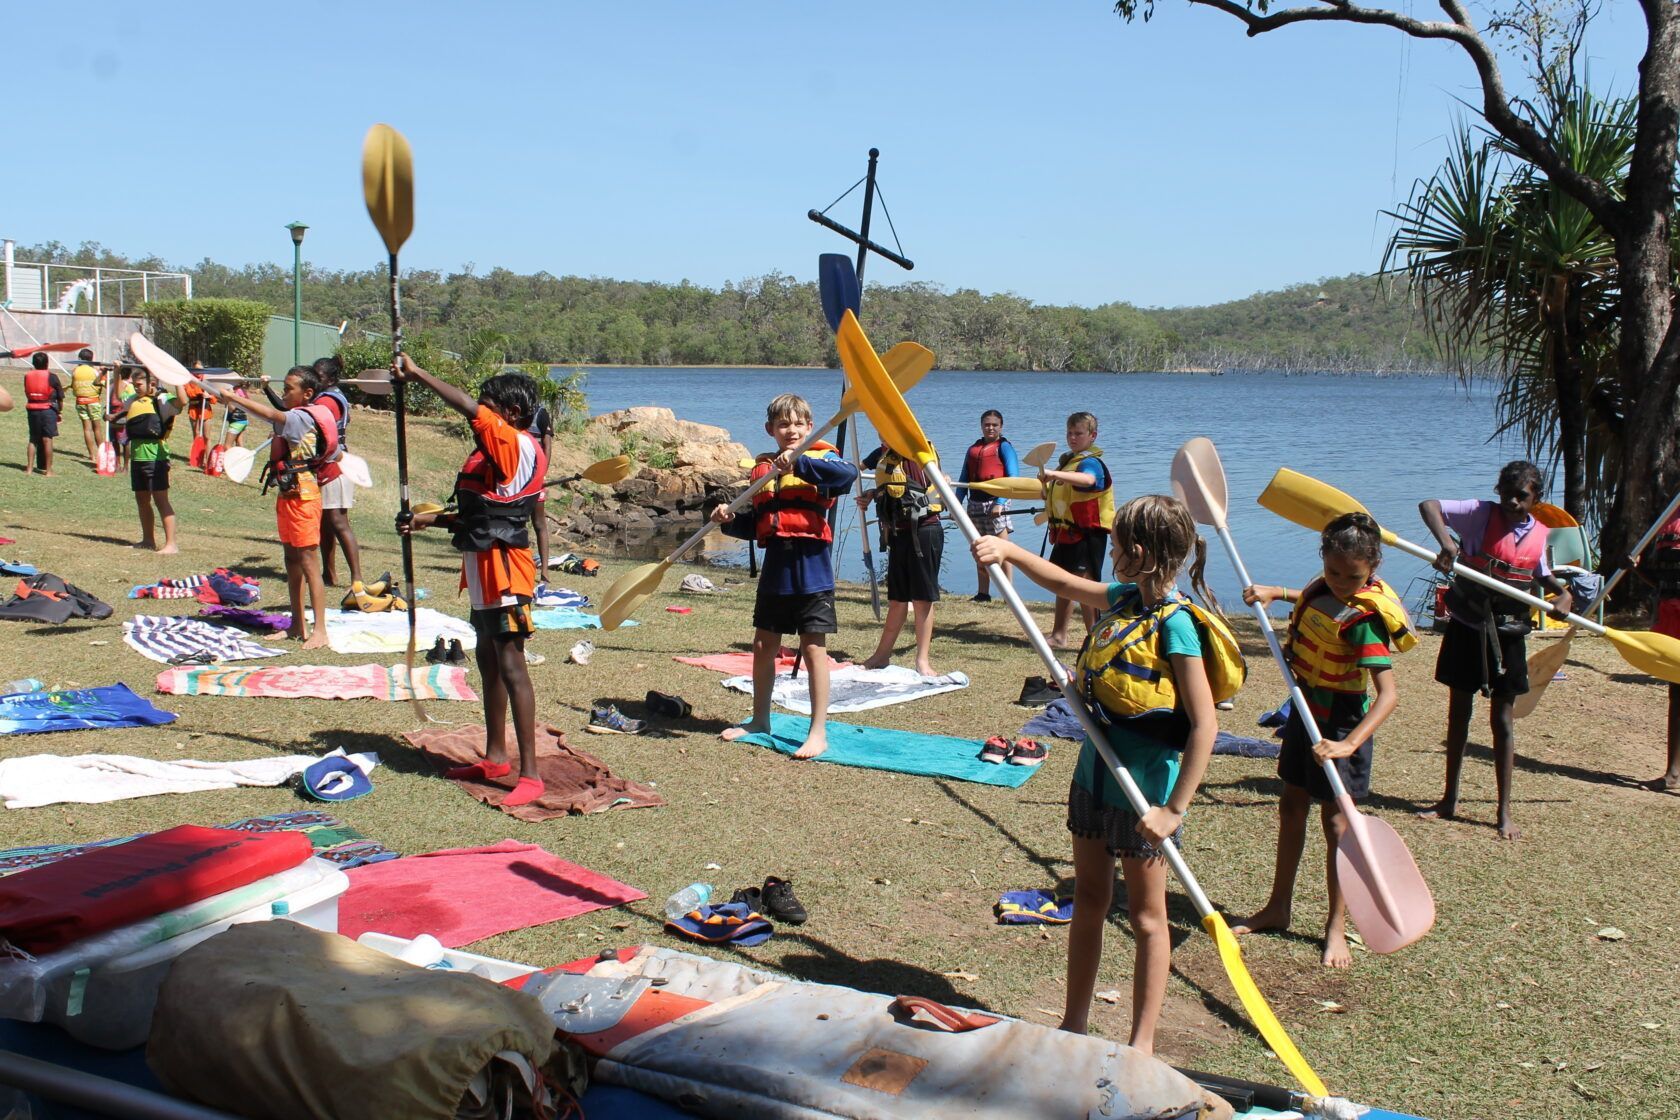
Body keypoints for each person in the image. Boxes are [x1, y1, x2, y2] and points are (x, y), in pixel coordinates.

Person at [971, 495, 1241, 1054]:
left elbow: (1205, 725)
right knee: (1089, 899)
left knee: (1146, 917)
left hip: (1147, 795)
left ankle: (1141, 1042)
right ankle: (1074, 1022)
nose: (1109, 551)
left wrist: (1174, 810)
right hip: (1093, 779)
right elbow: (1067, 585)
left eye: (1115, 545)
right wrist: (1011, 551)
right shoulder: (1124, 598)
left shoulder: (1178, 627)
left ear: (1138, 553)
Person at [1232, 512, 1415, 967]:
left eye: (1353, 577)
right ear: (1323, 560)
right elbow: (1316, 597)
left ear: (1373, 568)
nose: (1340, 584)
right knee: (1291, 806)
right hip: (1305, 711)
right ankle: (1278, 907)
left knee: (1337, 827)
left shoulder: (1366, 621)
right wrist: (1278, 592)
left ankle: (1336, 924)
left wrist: (1349, 744)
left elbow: (1388, 696)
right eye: (1332, 572)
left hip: (1340, 724)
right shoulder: (1324, 587)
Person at [392, 354, 550, 808]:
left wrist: (418, 373)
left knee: (511, 663)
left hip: (505, 570)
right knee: (486, 658)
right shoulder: (490, 452)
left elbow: (471, 411)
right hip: (480, 567)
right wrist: (429, 520)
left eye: (488, 406)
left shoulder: (516, 443)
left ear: (512, 413)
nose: (479, 413)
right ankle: (496, 755)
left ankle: (531, 774)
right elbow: (483, 512)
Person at [1418, 461, 1572, 840]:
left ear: (1536, 499)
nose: (1513, 503)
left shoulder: (1540, 534)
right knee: (1459, 713)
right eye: (1507, 494)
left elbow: (1542, 574)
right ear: (1498, 491)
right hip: (1469, 626)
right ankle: (1448, 800)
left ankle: (1503, 812)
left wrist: (1563, 593)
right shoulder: (1479, 515)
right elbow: (1428, 505)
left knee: (1502, 722)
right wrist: (1447, 543)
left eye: (1522, 497)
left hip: (1508, 634)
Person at [710, 394, 858, 759]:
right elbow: (759, 524)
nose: (791, 431)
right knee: (763, 645)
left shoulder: (823, 461)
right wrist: (728, 523)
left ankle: (818, 731)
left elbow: (847, 476)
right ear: (771, 430)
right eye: (783, 425)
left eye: (797, 425)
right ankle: (760, 720)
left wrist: (801, 462)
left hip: (812, 570)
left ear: (809, 427)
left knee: (812, 648)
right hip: (776, 568)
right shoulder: (762, 469)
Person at [210, 366, 339, 650]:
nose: (284, 393)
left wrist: (235, 398)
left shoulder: (300, 417)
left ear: (307, 394)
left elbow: (271, 414)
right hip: (288, 494)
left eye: (289, 388)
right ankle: (296, 624)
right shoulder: (296, 416)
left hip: (304, 496)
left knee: (309, 564)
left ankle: (320, 631)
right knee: (291, 561)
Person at [856, 442, 944, 677]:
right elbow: (892, 484)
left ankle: (922, 661)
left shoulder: (913, 448)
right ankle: (881, 656)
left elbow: (914, 484)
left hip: (924, 530)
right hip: (898, 532)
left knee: (922, 599)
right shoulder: (882, 452)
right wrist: (873, 494)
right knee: (897, 598)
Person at [1040, 411, 1114, 648]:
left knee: (1085, 586)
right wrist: (1046, 487)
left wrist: (1052, 474)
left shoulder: (1090, 463)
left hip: (1087, 535)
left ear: (1092, 436)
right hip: (1067, 534)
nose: (1073, 438)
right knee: (1062, 583)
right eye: (1069, 433)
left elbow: (1089, 481)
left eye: (1079, 433)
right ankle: (1059, 635)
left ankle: (1096, 638)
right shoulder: (1068, 461)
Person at [1627, 506, 1680, 791]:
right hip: (1671, 616)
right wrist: (1636, 569)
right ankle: (1673, 773)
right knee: (1677, 690)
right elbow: (1662, 579)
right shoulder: (1668, 516)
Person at [310, 357, 364, 591]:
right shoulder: (335, 396)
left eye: (318, 377)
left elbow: (313, 424)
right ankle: (328, 573)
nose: (314, 380)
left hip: (336, 466)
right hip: (327, 465)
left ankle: (357, 578)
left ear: (330, 379)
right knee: (325, 524)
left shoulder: (327, 401)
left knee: (339, 522)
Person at [955, 409, 1020, 602]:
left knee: (1003, 549)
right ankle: (983, 593)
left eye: (994, 425)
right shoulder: (972, 449)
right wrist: (956, 504)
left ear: (1001, 427)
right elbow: (963, 479)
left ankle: (1009, 594)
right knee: (979, 548)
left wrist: (1000, 502)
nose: (990, 428)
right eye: (987, 424)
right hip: (975, 503)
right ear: (981, 426)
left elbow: (1013, 477)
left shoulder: (1005, 447)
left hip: (997, 503)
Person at [114, 369, 179, 554]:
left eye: (139, 385)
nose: (136, 388)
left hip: (155, 457)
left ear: (151, 384)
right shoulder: (133, 399)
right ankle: (148, 540)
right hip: (137, 456)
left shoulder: (162, 401)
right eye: (134, 385)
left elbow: (182, 402)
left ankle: (171, 544)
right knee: (142, 499)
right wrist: (117, 370)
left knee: (161, 500)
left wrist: (178, 380)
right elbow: (119, 395)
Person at [22, 352, 63, 476]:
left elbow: (27, 391)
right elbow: (60, 397)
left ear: (33, 363)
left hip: (32, 409)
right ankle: (48, 471)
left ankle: (29, 469)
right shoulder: (52, 377)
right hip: (47, 409)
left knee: (33, 439)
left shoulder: (27, 376)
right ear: (47, 363)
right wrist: (59, 411)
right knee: (47, 439)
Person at [527, 399, 555, 577]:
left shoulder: (540, 413)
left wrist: (542, 473)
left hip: (535, 477)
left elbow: (547, 445)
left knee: (539, 523)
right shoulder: (509, 412)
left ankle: (544, 572)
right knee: (516, 521)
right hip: (515, 478)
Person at [69, 349, 104, 463]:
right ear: (91, 359)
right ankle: (102, 454)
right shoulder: (94, 371)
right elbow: (102, 383)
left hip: (80, 401)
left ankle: (91, 455)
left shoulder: (75, 370)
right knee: (97, 428)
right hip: (93, 401)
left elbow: (73, 387)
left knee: (87, 429)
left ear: (79, 358)